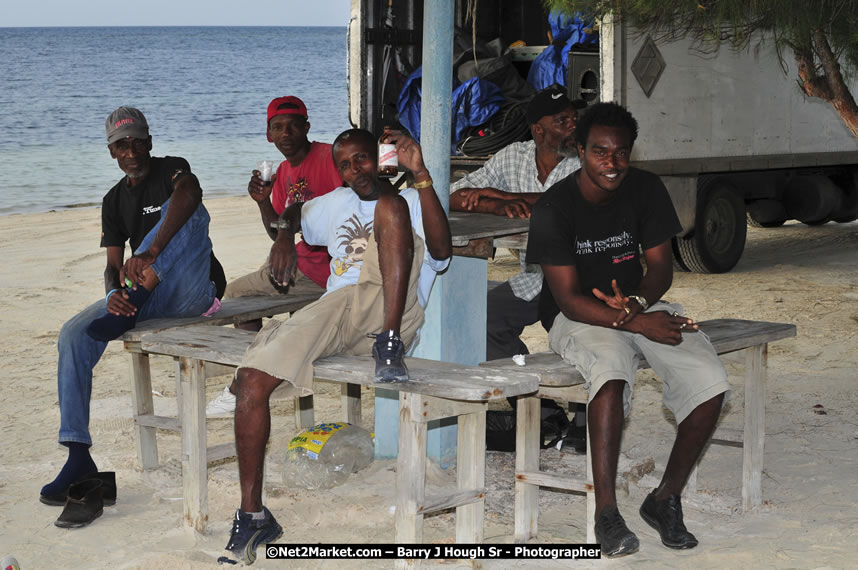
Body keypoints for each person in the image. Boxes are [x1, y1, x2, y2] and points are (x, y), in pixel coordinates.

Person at [221, 128, 451, 565]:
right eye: (344, 165)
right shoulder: (335, 203)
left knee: (390, 207)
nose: (353, 170)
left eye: (361, 159)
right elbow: (287, 215)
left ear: (380, 159)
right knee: (251, 380)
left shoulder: (407, 199)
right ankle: (253, 516)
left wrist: (420, 173)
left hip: (392, 314)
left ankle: (389, 344)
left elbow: (442, 252)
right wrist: (280, 226)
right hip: (340, 309)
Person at [526, 102, 731, 557]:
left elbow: (659, 269)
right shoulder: (555, 208)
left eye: (620, 153)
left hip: (639, 306)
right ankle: (606, 514)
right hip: (577, 316)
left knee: (710, 382)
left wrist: (637, 304)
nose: (612, 163)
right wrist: (637, 322)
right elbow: (567, 299)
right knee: (611, 375)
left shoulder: (646, 188)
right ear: (580, 150)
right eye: (600, 152)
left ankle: (664, 499)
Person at [40, 107, 226, 513]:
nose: (131, 150)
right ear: (111, 152)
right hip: (141, 298)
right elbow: (111, 266)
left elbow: (190, 193)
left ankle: (137, 293)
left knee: (192, 206)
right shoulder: (112, 200)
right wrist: (113, 296)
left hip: (191, 291)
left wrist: (149, 256)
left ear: (150, 142)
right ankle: (76, 454)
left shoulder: (172, 170)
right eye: (121, 144)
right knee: (73, 332)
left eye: (138, 141)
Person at [205, 96, 343, 417]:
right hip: (299, 265)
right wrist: (262, 201)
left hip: (328, 272)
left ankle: (246, 381)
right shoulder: (281, 171)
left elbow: (327, 212)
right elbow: (277, 230)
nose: (286, 133)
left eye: (293, 125)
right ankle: (257, 372)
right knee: (250, 287)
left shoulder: (329, 157)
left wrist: (285, 234)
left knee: (238, 292)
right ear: (269, 135)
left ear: (307, 127)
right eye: (277, 127)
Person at [448, 84, 585, 361]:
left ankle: (569, 400)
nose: (573, 126)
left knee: (578, 341)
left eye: (574, 119)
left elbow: (571, 201)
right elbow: (454, 195)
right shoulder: (513, 156)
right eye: (562, 121)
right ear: (538, 130)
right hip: (534, 280)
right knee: (483, 320)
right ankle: (534, 399)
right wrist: (496, 205)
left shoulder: (587, 158)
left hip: (582, 280)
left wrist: (506, 195)